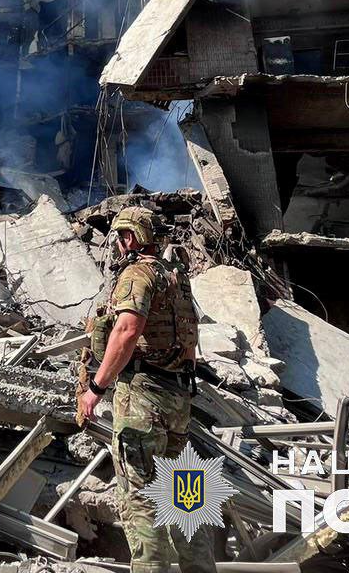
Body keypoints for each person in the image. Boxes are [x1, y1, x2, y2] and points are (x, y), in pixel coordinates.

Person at [77, 205, 212, 573]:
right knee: (184, 496)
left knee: (141, 501)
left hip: (143, 399)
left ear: (131, 237)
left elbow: (127, 331)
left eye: (120, 237)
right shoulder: (176, 277)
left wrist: (95, 387)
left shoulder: (137, 274)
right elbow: (189, 340)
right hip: (177, 398)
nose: (118, 245)